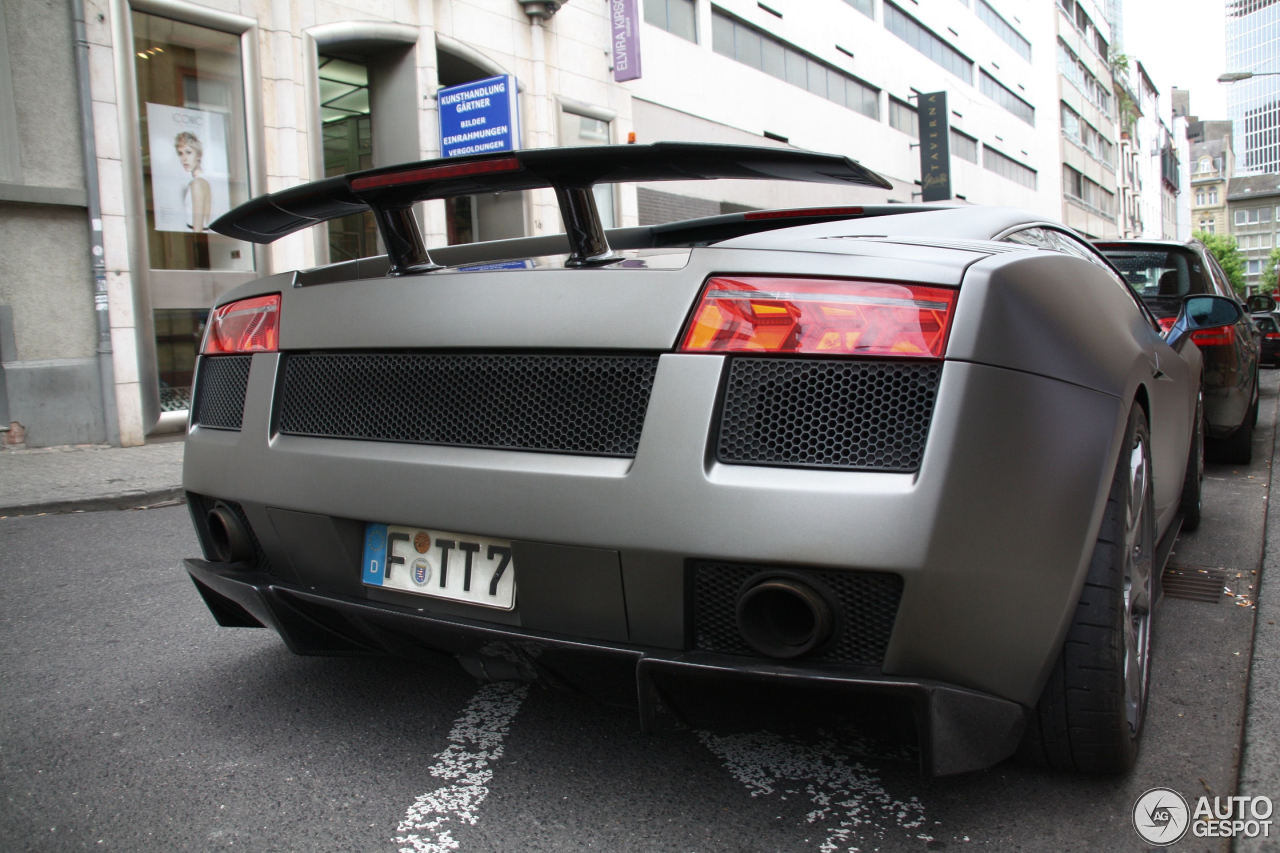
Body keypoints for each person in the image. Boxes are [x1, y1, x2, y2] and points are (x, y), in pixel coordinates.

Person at [174, 131, 211, 232]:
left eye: (188, 152)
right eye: (180, 153)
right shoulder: (200, 181)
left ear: (198, 155)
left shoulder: (198, 183)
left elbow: (198, 227)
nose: (184, 159)